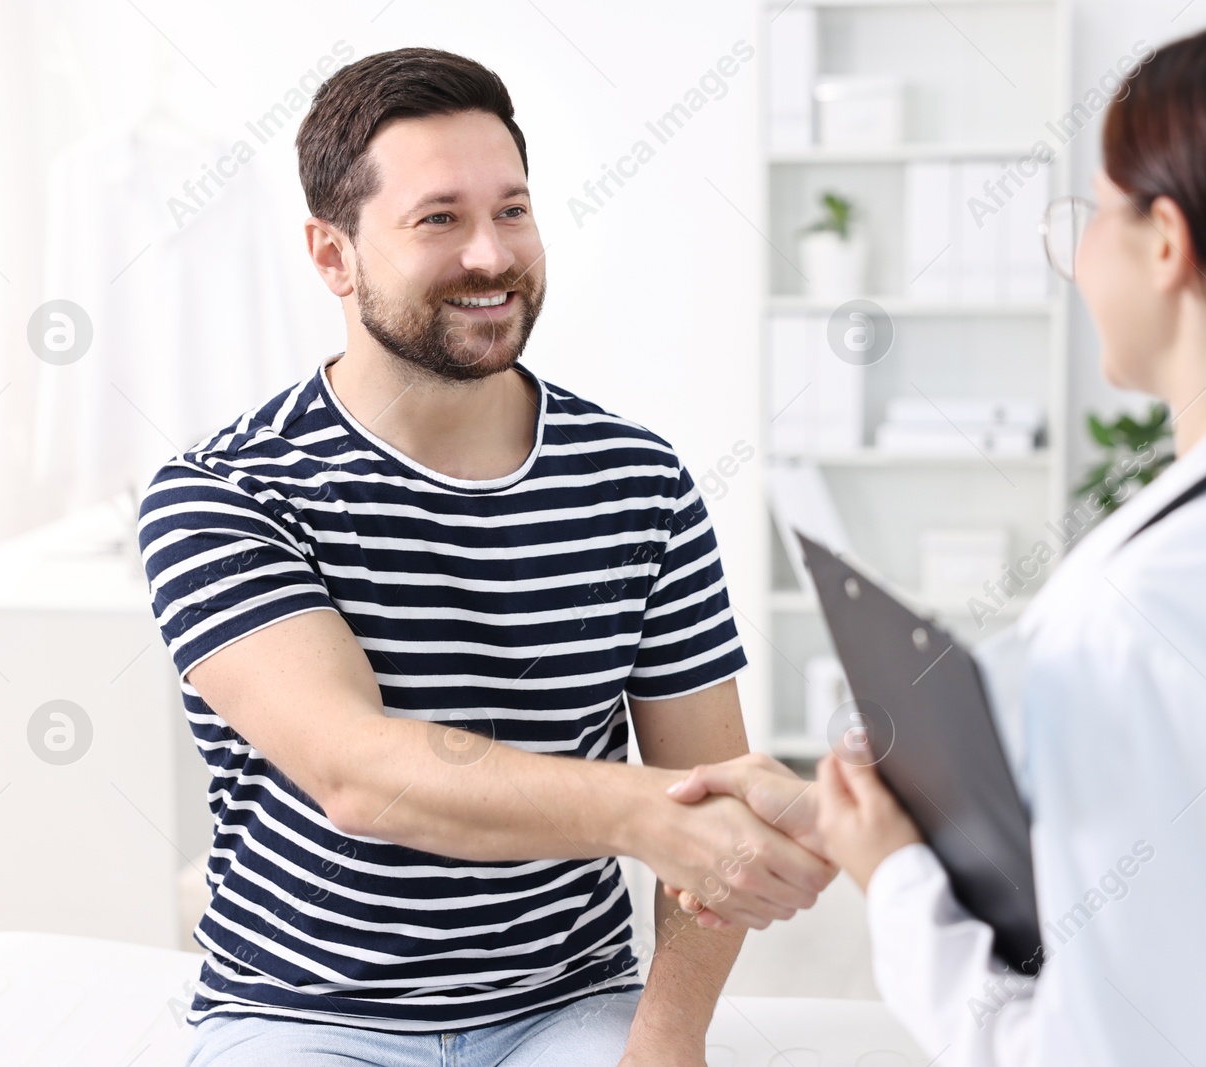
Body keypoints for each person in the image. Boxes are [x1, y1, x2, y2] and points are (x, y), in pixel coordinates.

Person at [666, 18, 1206, 1065]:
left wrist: (897, 880)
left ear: (1168, 243)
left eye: (1088, 213)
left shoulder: (1143, 620)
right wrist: (842, 810)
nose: (1074, 252)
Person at [137, 48, 833, 1067]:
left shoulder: (638, 481)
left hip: (566, 1003)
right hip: (300, 1010)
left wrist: (667, 1037)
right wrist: (650, 818)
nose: (489, 255)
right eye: (439, 219)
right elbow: (360, 773)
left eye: (511, 210)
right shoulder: (225, 492)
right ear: (332, 256)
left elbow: (704, 791)